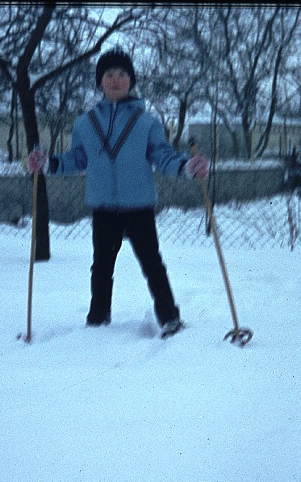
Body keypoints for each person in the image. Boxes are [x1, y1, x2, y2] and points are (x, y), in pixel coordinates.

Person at [27, 47, 209, 338]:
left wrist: (187, 167)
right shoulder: (85, 123)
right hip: (103, 207)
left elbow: (163, 157)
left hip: (139, 206)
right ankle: (98, 320)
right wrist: (48, 164)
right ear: (100, 81)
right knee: (101, 267)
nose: (115, 80)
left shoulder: (147, 123)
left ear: (131, 80)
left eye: (122, 74)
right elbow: (77, 158)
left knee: (152, 263)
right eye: (109, 75)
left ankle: (169, 318)